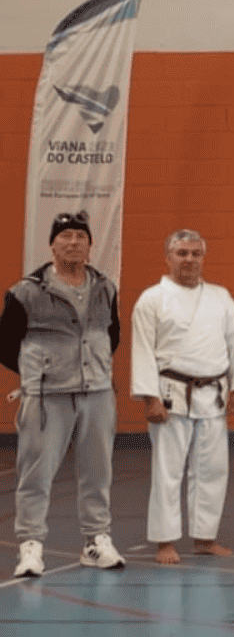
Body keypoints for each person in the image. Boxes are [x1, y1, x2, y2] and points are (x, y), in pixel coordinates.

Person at [1, 211, 124, 575]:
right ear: (52, 244)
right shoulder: (25, 292)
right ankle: (30, 546)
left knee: (98, 472)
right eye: (65, 236)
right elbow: (6, 344)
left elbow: (111, 335)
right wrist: (41, 372)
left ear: (90, 245)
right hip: (47, 395)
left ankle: (96, 540)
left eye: (80, 237)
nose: (73, 242)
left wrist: (91, 365)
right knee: (36, 473)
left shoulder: (106, 287)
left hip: (98, 391)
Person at [131, 230, 234, 566]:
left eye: (195, 254)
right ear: (167, 258)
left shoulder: (221, 297)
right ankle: (165, 541)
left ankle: (205, 538)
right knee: (169, 471)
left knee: (212, 469)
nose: (189, 260)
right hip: (171, 396)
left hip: (213, 395)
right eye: (182, 253)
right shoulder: (152, 298)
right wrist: (149, 397)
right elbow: (143, 350)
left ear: (203, 258)